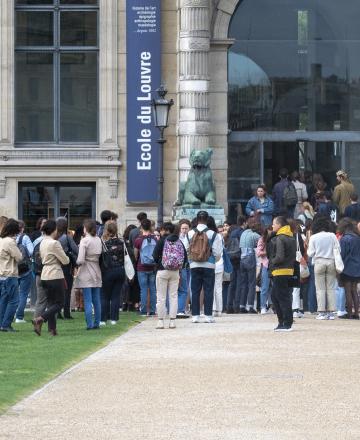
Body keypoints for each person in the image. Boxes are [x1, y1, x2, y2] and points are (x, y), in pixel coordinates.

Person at [33, 219, 69, 336]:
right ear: (54, 230)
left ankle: (52, 330)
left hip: (44, 274)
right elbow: (66, 260)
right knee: (60, 303)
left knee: (51, 303)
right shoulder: (54, 243)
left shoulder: (42, 241)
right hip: (55, 274)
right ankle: (40, 319)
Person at [188, 211, 222, 323]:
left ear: (197, 219)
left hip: (194, 264)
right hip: (209, 264)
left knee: (195, 290)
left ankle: (195, 315)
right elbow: (217, 253)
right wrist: (213, 260)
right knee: (208, 290)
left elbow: (186, 249)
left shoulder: (190, 233)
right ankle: (208, 315)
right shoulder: (213, 234)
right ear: (207, 220)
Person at [153, 222, 187, 329]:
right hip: (175, 271)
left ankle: (161, 321)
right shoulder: (179, 241)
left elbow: (154, 255)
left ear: (163, 230)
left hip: (162, 270)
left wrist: (159, 262)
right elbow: (184, 257)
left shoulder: (161, 241)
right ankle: (172, 321)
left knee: (161, 297)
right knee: (173, 296)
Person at [267, 216, 296, 332]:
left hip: (279, 271)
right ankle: (283, 322)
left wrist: (271, 261)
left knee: (280, 297)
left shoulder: (279, 238)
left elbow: (279, 257)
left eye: (274, 223)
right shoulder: (291, 237)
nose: (272, 226)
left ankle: (286, 323)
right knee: (279, 296)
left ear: (279, 225)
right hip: (288, 270)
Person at [307, 216, 339, 320]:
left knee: (320, 289)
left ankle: (321, 312)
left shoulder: (313, 237)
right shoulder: (332, 235)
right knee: (331, 288)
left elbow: (310, 253)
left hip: (319, 262)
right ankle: (331, 312)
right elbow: (338, 249)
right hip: (331, 262)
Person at [75, 219, 102, 330]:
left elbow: (80, 259)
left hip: (86, 269)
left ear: (86, 228)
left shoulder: (84, 241)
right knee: (96, 299)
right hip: (96, 269)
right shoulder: (98, 239)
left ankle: (90, 324)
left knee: (87, 300)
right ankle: (97, 323)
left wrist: (75, 263)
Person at [100, 222, 125, 325]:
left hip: (108, 271)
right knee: (116, 296)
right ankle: (114, 319)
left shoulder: (103, 243)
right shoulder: (121, 242)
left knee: (105, 296)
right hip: (120, 270)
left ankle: (103, 319)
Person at [0, 219, 23, 332]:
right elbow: (19, 257)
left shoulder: (1, 240)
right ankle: (6, 324)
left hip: (2, 275)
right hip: (10, 275)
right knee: (14, 301)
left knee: (3, 301)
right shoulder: (10, 242)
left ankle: (1, 324)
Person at [134, 218, 157, 316]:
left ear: (141, 227)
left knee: (143, 289)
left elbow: (136, 254)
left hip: (141, 267)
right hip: (152, 267)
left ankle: (143, 310)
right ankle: (152, 310)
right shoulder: (155, 238)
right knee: (152, 289)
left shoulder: (138, 240)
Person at [56, 217, 78, 319]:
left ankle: (57, 312)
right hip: (66, 266)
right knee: (67, 290)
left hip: (56, 266)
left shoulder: (54, 237)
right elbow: (76, 249)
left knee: (58, 290)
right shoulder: (67, 237)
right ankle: (66, 313)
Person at [338, 218, 360, 319]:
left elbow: (342, 254)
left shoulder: (344, 239)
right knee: (354, 290)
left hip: (347, 267)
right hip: (357, 267)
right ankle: (356, 313)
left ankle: (349, 313)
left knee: (348, 290)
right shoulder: (357, 238)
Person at [238, 218, 261, 313]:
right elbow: (263, 240)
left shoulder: (243, 233)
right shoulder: (254, 235)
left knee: (244, 283)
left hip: (242, 258)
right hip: (250, 258)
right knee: (252, 283)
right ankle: (251, 306)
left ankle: (242, 306)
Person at [226, 215, 247, 313]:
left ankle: (229, 305)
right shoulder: (243, 233)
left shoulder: (232, 232)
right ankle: (237, 305)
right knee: (240, 282)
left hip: (231, 257)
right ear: (244, 223)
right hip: (239, 258)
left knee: (232, 282)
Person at [14, 220, 34, 324]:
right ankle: (19, 317)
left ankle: (11, 314)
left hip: (13, 269)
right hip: (24, 269)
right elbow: (31, 251)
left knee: (12, 294)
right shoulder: (24, 237)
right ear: (22, 228)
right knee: (23, 293)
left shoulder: (10, 238)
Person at [256, 224, 272, 314]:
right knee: (265, 287)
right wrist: (267, 252)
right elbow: (258, 252)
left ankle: (271, 306)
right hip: (266, 265)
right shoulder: (262, 239)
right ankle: (263, 306)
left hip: (274, 265)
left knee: (273, 288)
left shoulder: (275, 238)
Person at [177, 219, 191, 317]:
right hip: (181, 265)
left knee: (186, 287)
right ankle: (180, 309)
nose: (184, 230)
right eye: (183, 228)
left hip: (189, 264)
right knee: (182, 287)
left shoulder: (191, 237)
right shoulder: (178, 238)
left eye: (186, 228)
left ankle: (184, 307)